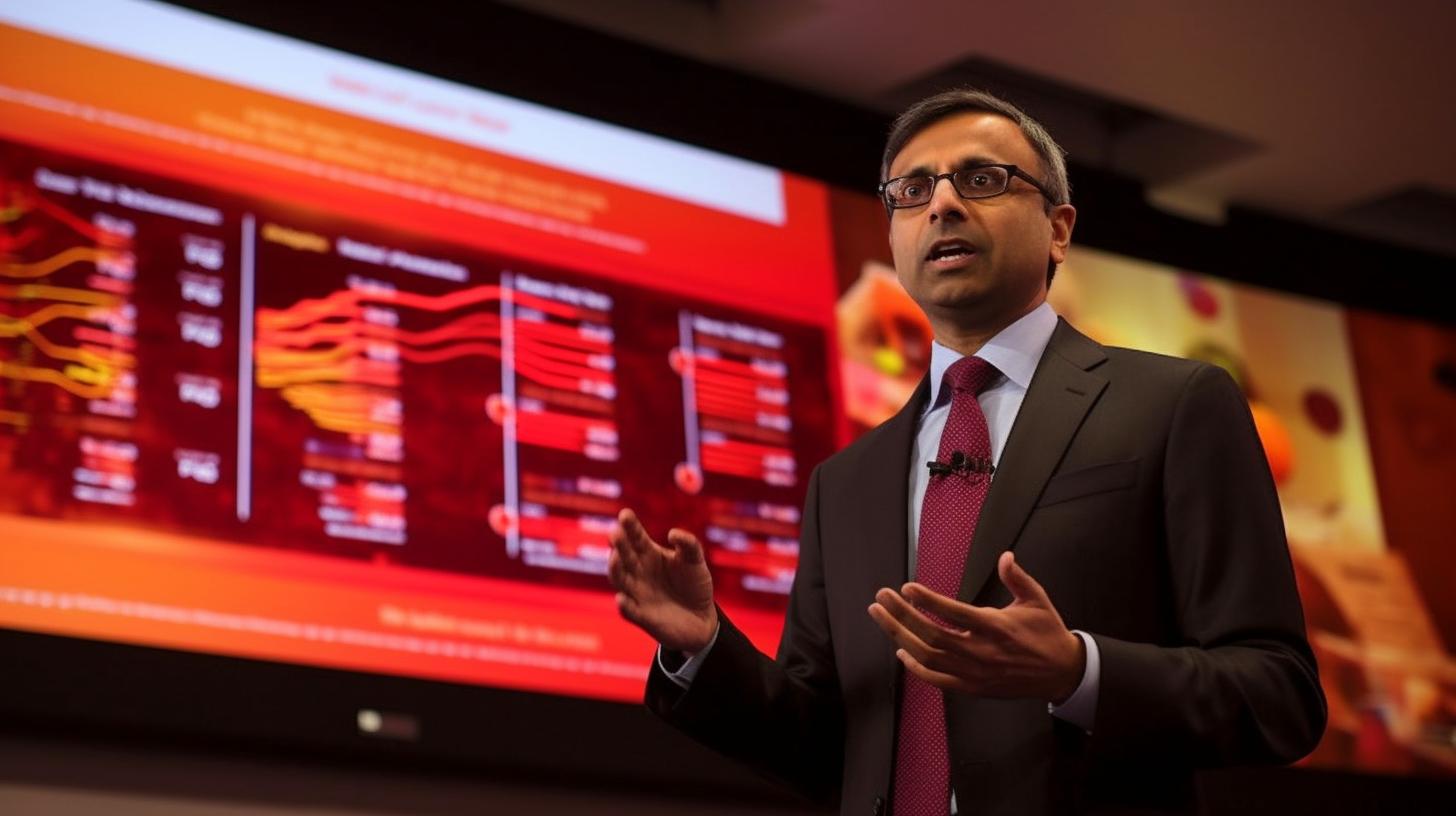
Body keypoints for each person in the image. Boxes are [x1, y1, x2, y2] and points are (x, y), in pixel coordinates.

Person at [607, 88, 1326, 816]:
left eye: (982, 180)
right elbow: (827, 746)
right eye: (912, 191)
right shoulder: (846, 482)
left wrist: (1076, 671)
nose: (942, 206)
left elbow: (1278, 695)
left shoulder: (1174, 406)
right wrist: (704, 648)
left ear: (1059, 229)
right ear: (892, 239)